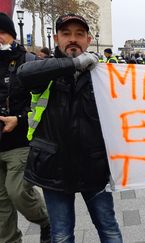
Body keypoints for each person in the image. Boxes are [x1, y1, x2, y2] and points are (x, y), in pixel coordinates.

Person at [17, 13, 123, 242]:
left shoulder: (103, 74)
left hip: (94, 166)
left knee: (109, 229)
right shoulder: (44, 70)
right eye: (66, 34)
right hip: (54, 167)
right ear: (56, 38)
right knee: (62, 234)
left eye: (79, 34)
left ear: (89, 39)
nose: (72, 39)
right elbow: (23, 75)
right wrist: (72, 64)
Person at [0, 12, 51, 243]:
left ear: (7, 34)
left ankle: (46, 220)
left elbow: (44, 104)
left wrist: (18, 119)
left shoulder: (28, 62)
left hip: (19, 141)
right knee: (1, 205)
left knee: (17, 192)